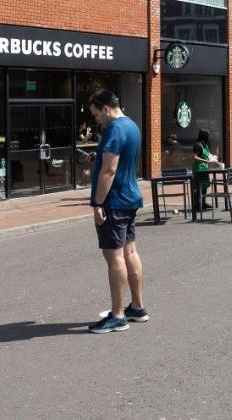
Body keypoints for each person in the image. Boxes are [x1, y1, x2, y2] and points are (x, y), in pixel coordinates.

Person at [86, 89, 146, 334]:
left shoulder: (114, 129)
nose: (96, 120)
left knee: (114, 256)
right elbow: (115, 162)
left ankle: (118, 314)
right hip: (130, 197)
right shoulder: (131, 126)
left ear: (106, 108)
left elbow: (109, 171)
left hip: (114, 201)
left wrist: (98, 203)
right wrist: (97, 158)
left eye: (96, 114)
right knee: (130, 251)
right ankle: (138, 308)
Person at [190, 129, 218, 219]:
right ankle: (197, 205)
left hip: (205, 169)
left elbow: (208, 154)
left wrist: (213, 158)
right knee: (198, 187)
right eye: (207, 135)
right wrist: (206, 160)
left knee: (205, 186)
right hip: (198, 169)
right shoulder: (197, 145)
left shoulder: (205, 146)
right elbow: (194, 157)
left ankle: (203, 202)